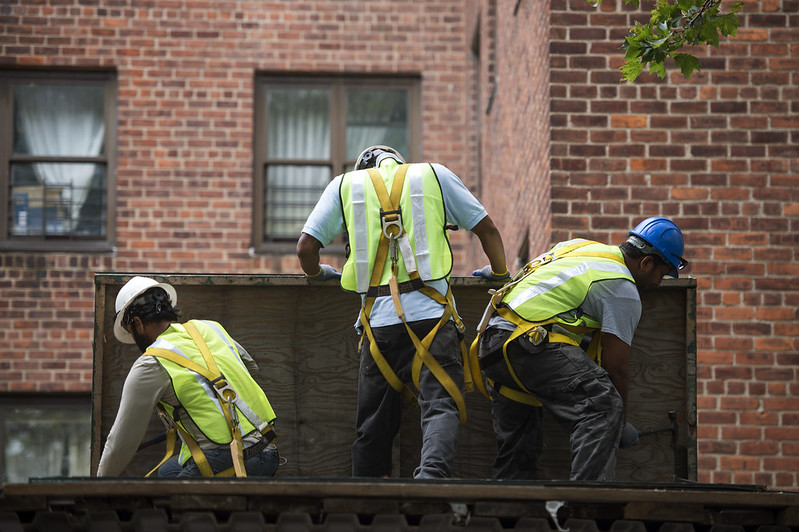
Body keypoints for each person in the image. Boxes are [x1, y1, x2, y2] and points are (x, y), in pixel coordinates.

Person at [296, 145, 509, 479]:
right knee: (440, 405)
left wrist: (316, 273)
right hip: (434, 319)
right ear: (398, 161)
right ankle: (431, 479)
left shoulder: (344, 185)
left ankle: (367, 497)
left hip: (378, 326)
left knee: (373, 422)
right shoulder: (434, 175)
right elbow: (488, 231)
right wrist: (499, 275)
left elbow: (305, 248)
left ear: (363, 168)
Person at [476, 217, 688, 481]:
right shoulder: (622, 288)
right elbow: (617, 367)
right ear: (646, 263)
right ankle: (586, 503)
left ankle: (508, 512)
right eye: (662, 272)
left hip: (493, 343)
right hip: (527, 343)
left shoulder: (580, 247)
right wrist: (618, 423)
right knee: (604, 406)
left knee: (520, 448)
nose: (660, 281)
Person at [96, 276, 279, 478]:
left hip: (235, 460)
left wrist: (97, 488)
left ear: (137, 323)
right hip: (268, 447)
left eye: (131, 331)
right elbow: (250, 368)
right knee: (168, 472)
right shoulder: (210, 327)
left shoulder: (151, 363)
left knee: (169, 497)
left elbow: (120, 443)